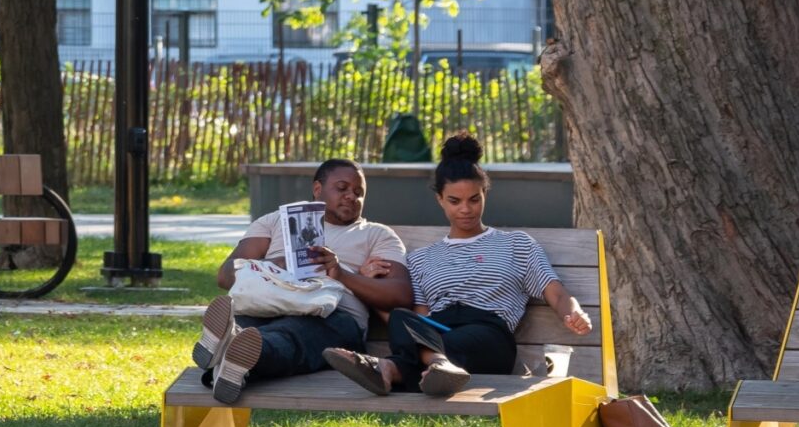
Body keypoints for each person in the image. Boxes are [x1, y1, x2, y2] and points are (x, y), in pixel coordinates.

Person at [326, 134, 591, 398]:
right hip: (439, 328)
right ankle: (429, 368)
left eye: (474, 199)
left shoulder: (516, 245)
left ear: (484, 194)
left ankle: (394, 368)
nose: (465, 209)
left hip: (489, 334)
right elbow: (420, 318)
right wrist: (369, 286)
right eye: (454, 201)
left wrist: (573, 313)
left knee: (440, 341)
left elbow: (555, 291)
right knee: (401, 317)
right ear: (440, 199)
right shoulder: (420, 259)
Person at [193, 159, 409, 404]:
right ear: (318, 189)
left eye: (359, 193)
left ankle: (232, 348)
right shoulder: (275, 221)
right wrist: (278, 263)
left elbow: (401, 294)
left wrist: (342, 274)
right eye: (342, 188)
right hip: (270, 304)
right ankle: (234, 359)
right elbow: (225, 275)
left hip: (334, 316)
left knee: (290, 334)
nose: (351, 196)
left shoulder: (376, 234)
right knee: (256, 325)